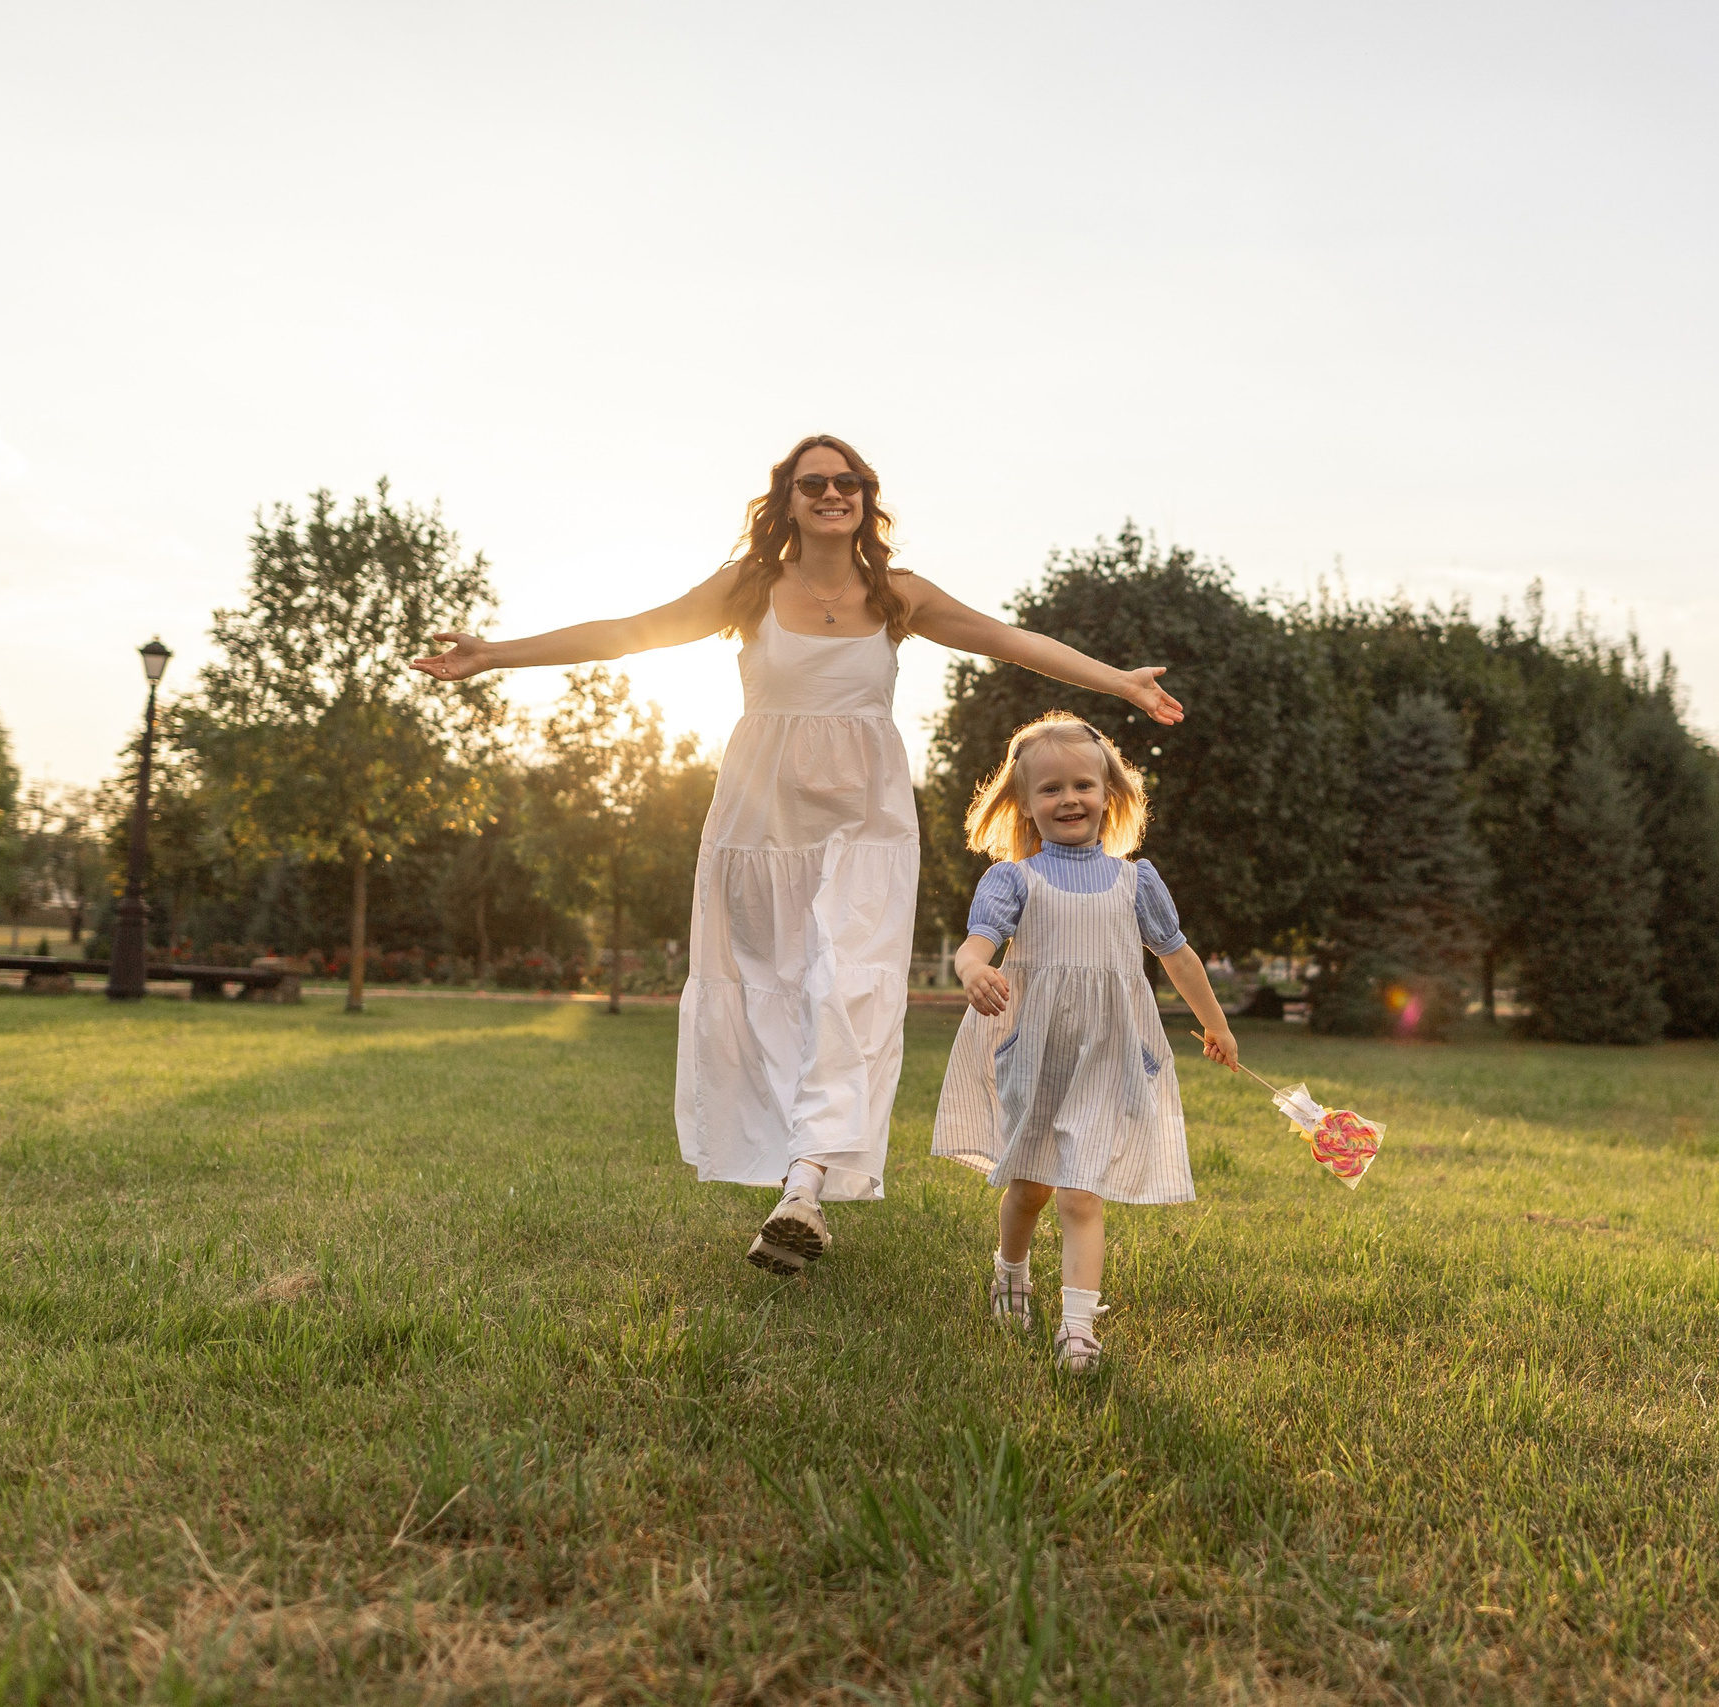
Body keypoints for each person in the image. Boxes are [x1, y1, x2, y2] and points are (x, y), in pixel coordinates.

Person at [410, 437, 1185, 1274]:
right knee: (774, 996)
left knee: (851, 989)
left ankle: (805, 1186)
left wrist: (1120, 682)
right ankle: (797, 1172)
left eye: (846, 480)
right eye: (813, 482)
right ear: (787, 497)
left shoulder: (898, 595)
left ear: (865, 495)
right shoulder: (751, 590)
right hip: (761, 823)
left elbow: (1009, 640)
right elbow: (628, 633)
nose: (831, 492)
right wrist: (494, 652)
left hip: (867, 823)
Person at [929, 712, 1239, 1372]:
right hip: (1036, 1053)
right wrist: (974, 969)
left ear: (1109, 794)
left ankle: (1077, 1328)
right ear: (1024, 803)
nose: (1068, 799)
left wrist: (1215, 1022)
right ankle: (1011, 1271)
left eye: (1082, 785)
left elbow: (1178, 957)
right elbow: (977, 943)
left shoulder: (1137, 880)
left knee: (1080, 1192)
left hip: (1108, 1053)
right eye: (1049, 789)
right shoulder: (1013, 879)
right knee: (1033, 1186)